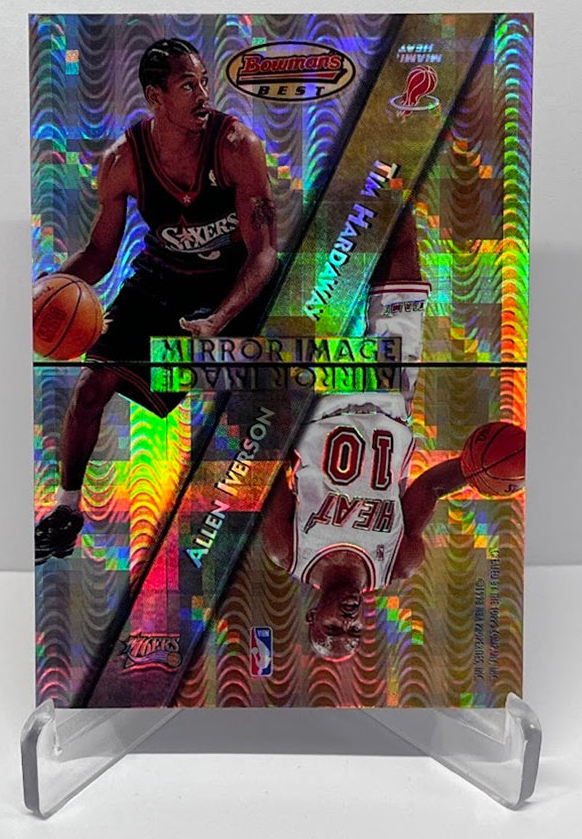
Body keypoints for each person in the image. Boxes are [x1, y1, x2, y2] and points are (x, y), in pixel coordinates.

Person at [35, 38, 278, 565]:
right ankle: (66, 510)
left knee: (257, 398)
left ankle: (252, 525)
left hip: (231, 285)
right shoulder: (122, 161)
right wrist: (34, 296)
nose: (203, 94)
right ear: (156, 97)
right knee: (92, 385)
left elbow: (264, 254)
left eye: (204, 82)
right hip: (162, 280)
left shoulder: (236, 145)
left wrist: (219, 319)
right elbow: (99, 255)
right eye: (188, 85)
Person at [259, 208, 473, 660]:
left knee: (328, 259)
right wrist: (480, 468)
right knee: (402, 259)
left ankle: (339, 180)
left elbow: (264, 463)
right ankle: (401, 174)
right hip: (391, 391)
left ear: (312, 616)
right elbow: (431, 488)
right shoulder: (397, 563)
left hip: (321, 392)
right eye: (354, 632)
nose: (348, 621)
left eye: (334, 628)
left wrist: (279, 387)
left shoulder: (287, 551)